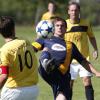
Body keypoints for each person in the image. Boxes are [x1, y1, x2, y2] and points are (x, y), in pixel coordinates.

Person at [32, 17, 100, 100]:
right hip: (47, 71)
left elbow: (83, 62)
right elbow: (31, 49)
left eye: (62, 26)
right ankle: (46, 62)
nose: (60, 27)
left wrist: (96, 72)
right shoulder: (45, 39)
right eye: (57, 25)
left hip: (62, 77)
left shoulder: (70, 45)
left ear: (66, 29)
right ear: (53, 28)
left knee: (62, 98)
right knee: (45, 51)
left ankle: (48, 64)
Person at [64, 1, 98, 100]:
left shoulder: (85, 23)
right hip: (69, 60)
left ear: (79, 11)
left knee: (87, 80)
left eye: (76, 10)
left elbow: (91, 37)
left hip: (83, 59)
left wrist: (95, 49)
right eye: (72, 10)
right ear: (68, 12)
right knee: (69, 84)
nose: (74, 12)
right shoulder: (64, 24)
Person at [0, 16, 39, 100]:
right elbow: (34, 50)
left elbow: (4, 75)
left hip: (14, 91)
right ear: (14, 29)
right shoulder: (26, 42)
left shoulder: (5, 50)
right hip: (33, 90)